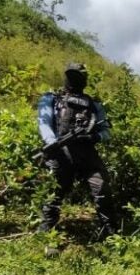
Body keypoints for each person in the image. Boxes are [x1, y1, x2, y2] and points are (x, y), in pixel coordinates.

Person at [36, 63, 116, 243]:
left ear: (85, 80)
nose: (74, 80)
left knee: (102, 187)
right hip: (60, 152)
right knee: (54, 194)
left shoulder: (94, 105)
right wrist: (52, 142)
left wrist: (94, 137)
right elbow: (44, 122)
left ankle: (110, 234)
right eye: (71, 76)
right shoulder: (52, 98)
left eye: (78, 77)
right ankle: (46, 235)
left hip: (87, 153)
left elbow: (106, 131)